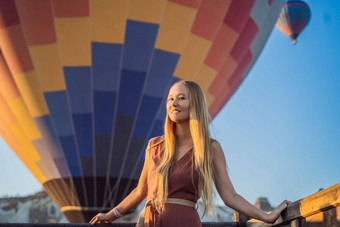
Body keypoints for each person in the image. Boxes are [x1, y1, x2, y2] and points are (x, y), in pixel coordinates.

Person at [90, 80, 290, 226]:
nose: (173, 103)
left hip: (184, 221)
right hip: (149, 222)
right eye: (170, 99)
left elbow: (230, 196)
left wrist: (267, 216)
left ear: (194, 104)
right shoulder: (154, 145)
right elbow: (140, 190)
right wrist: (111, 214)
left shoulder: (210, 148)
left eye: (181, 98)